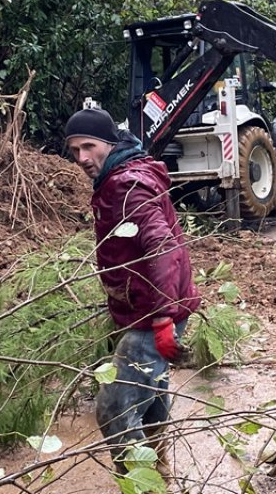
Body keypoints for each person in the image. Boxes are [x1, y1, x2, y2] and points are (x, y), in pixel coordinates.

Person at [64, 107, 201, 472]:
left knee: (114, 409)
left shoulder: (127, 186)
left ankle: (141, 482)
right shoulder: (120, 176)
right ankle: (160, 470)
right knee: (153, 394)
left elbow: (161, 246)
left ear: (109, 143)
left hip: (151, 314)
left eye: (89, 147)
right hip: (148, 306)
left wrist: (161, 317)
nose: (81, 158)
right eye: (74, 150)